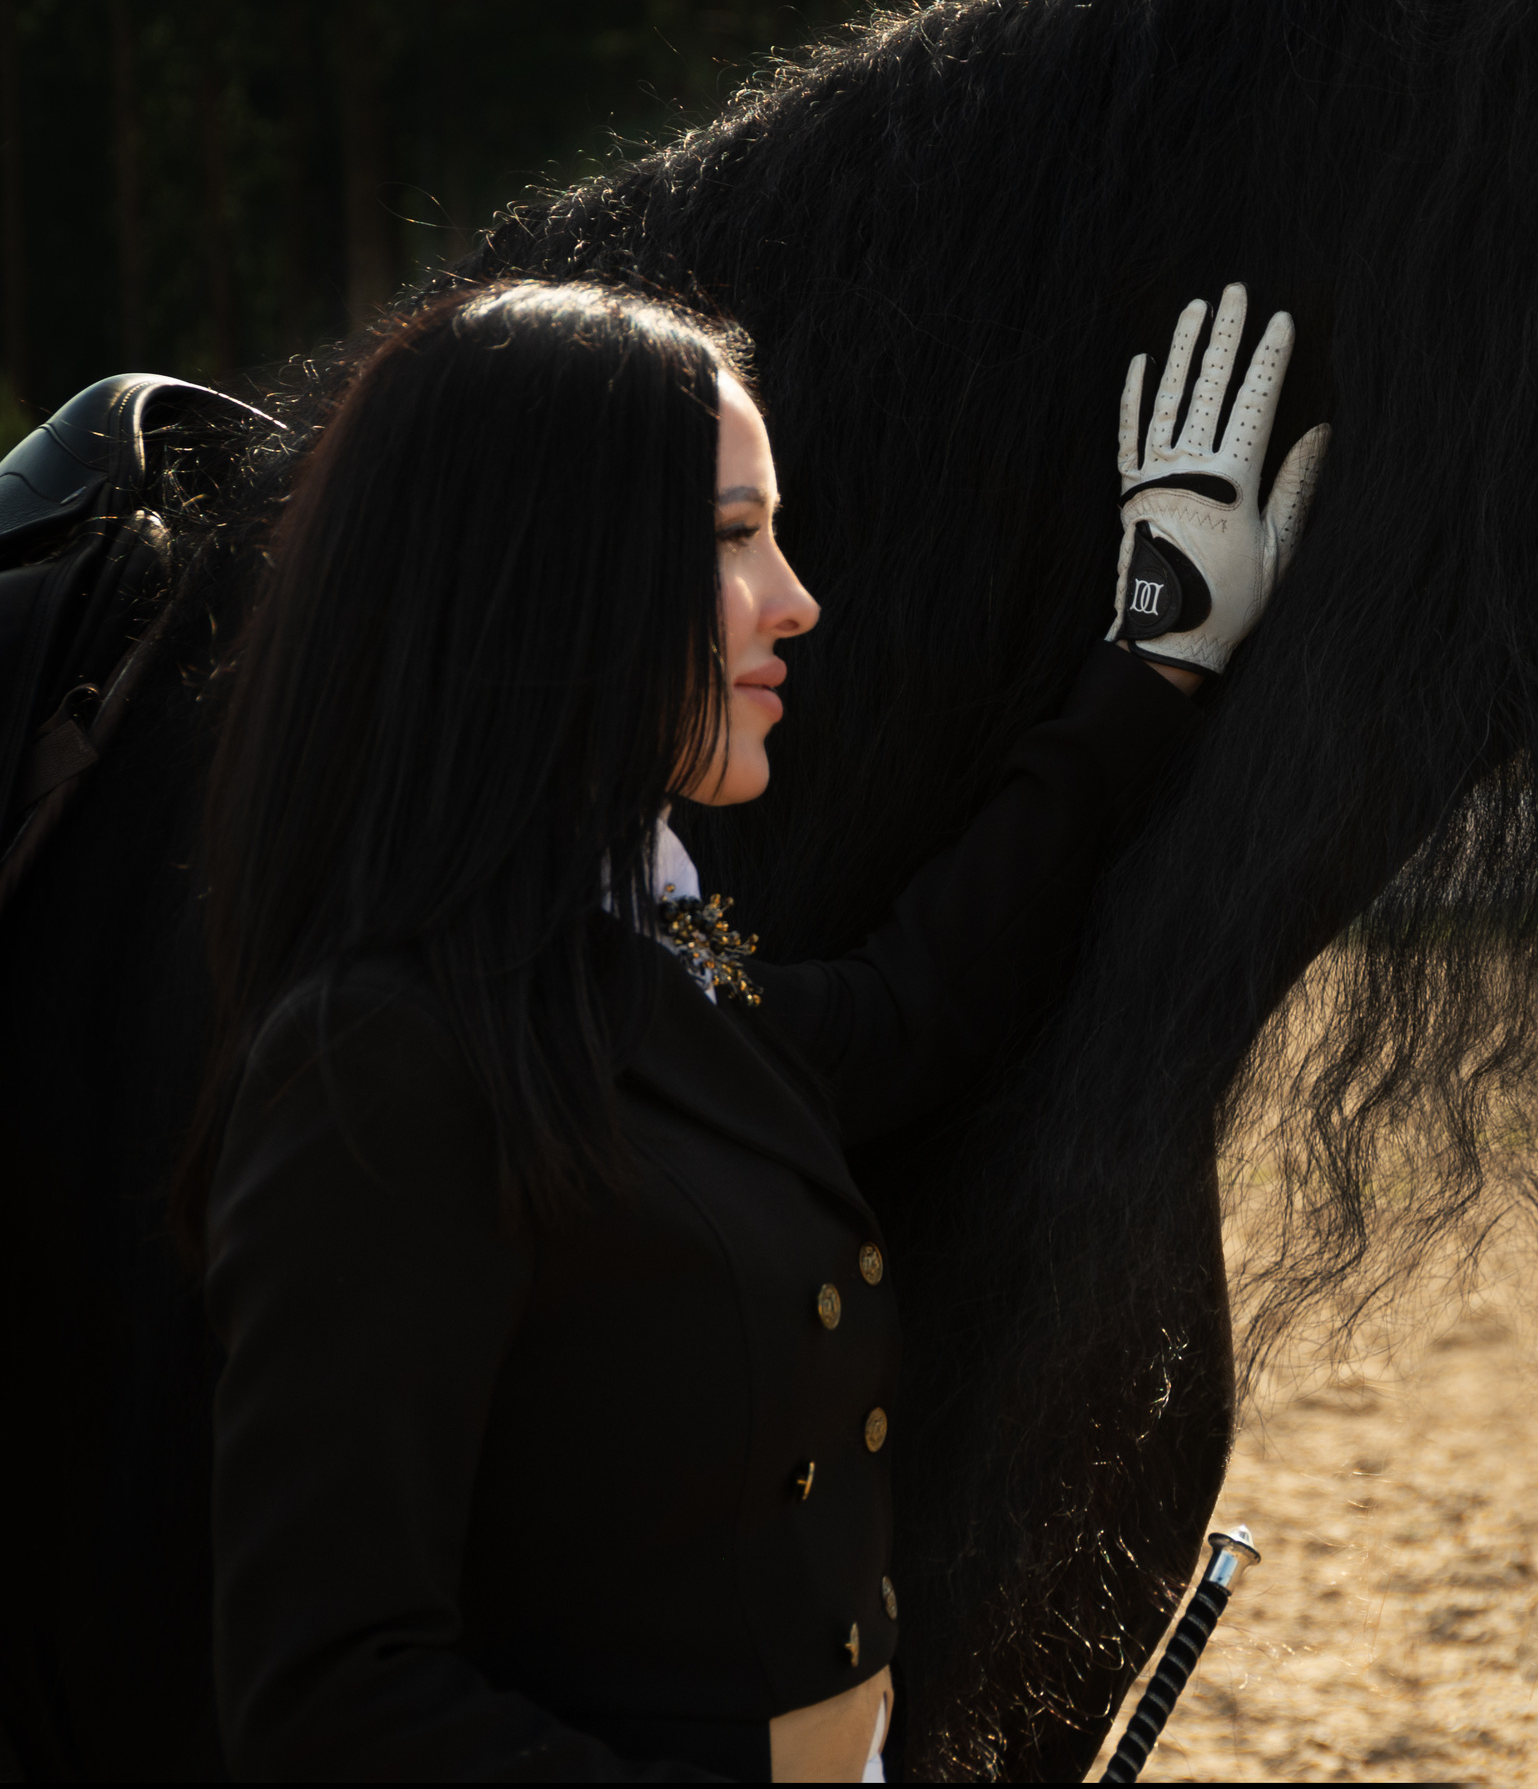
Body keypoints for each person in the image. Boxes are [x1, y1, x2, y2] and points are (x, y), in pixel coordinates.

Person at [181, 278, 1326, 1780]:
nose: (795, 598)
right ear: (548, 577)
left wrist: (1152, 663)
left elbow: (914, 1006)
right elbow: (333, 1698)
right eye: (732, 537)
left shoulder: (634, 971)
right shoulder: (386, 1063)